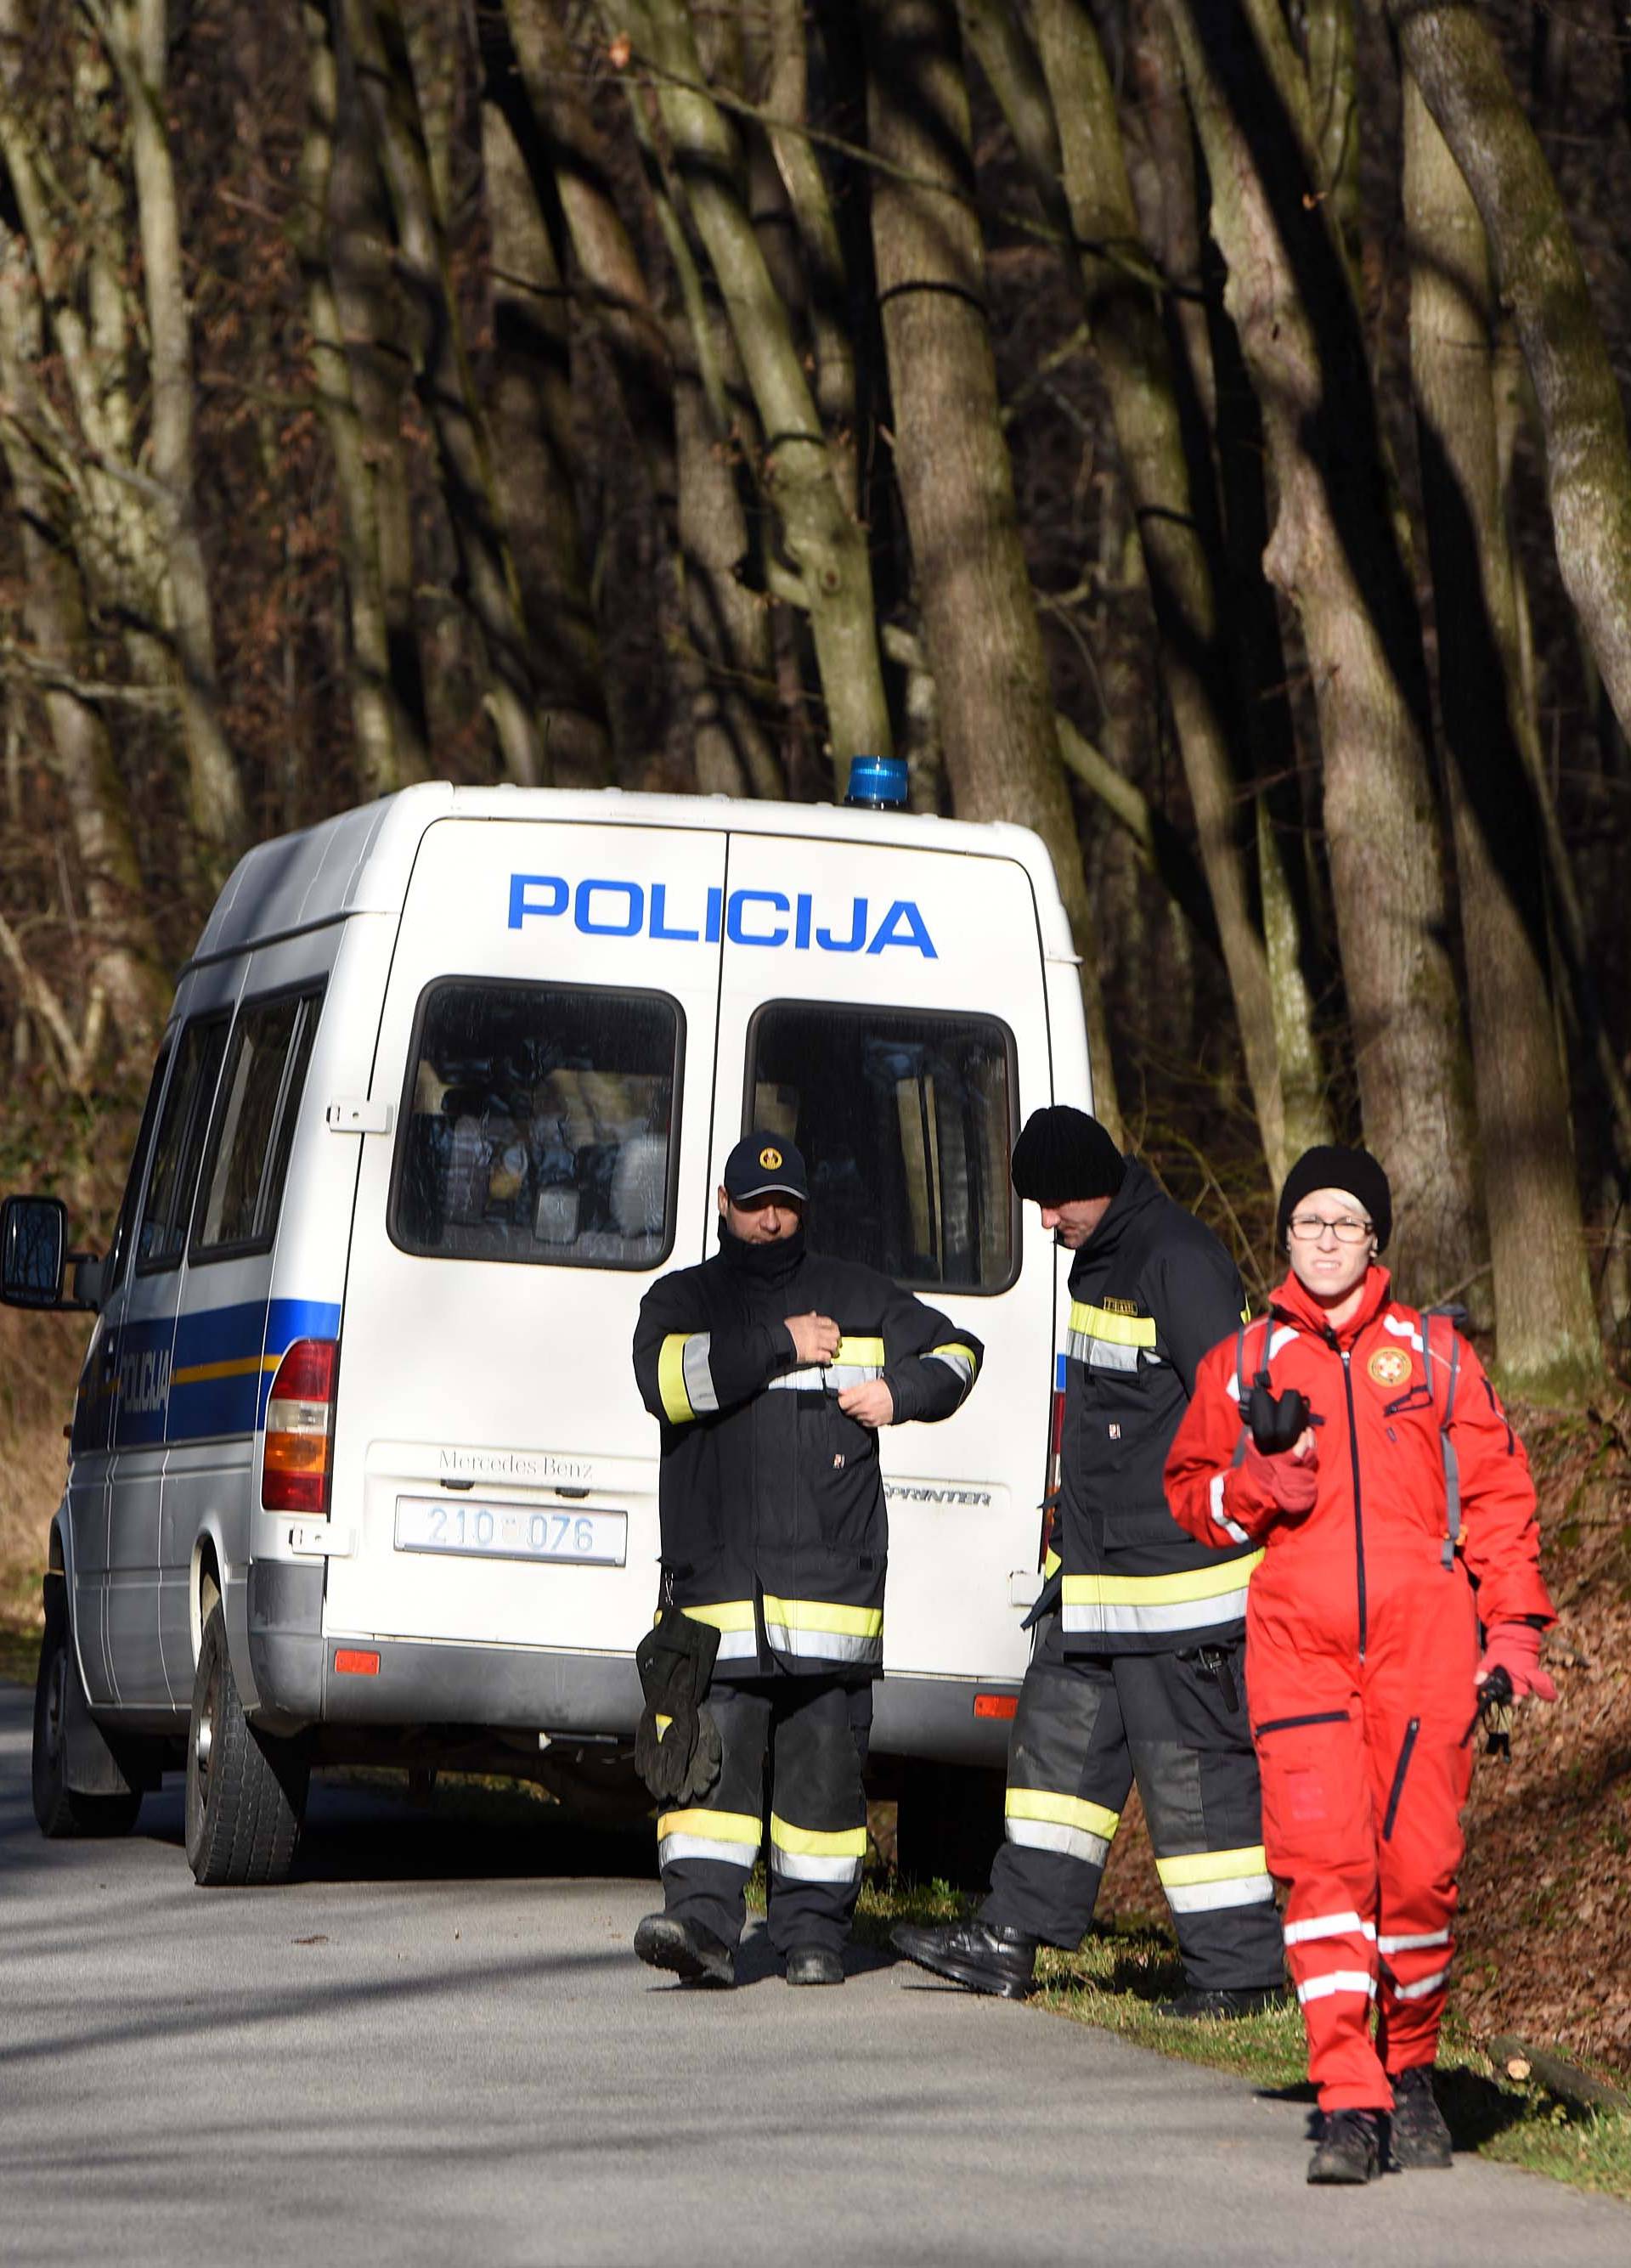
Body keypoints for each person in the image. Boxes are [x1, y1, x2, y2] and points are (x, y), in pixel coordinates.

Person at [1164, 1145, 1556, 2185]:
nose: (1328, 1240)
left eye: (1347, 1223)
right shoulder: (1243, 1363)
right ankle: (1349, 2099)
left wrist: (1513, 1631)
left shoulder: (1434, 1356)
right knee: (1324, 1876)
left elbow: (1502, 1504)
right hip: (1298, 1656)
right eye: (1310, 1223)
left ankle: (1413, 2069)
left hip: (1428, 1652)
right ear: (1284, 1236)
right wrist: (1254, 1488)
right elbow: (1187, 1499)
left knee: (1419, 1877)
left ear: (1375, 1239)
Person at [893, 1107, 1284, 2014]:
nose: (1044, 1222)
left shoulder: (1177, 1259)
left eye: (1053, 1201)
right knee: (1054, 1761)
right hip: (1099, 1575)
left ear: (1096, 1184)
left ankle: (1240, 1976)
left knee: (1194, 1778)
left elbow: (1234, 1405)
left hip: (1179, 1587)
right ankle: (1008, 1940)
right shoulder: (1103, 1262)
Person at [629, 1131, 982, 1989]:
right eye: (754, 1204)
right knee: (706, 1777)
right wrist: (782, 1342)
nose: (771, 1219)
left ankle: (813, 1934)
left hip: (831, 1595)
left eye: (785, 1205)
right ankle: (701, 1928)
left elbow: (960, 1352)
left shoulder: (859, 1296)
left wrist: (903, 1393)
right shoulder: (682, 1300)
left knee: (823, 1785)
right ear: (724, 1205)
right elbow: (668, 1387)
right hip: (717, 1596)